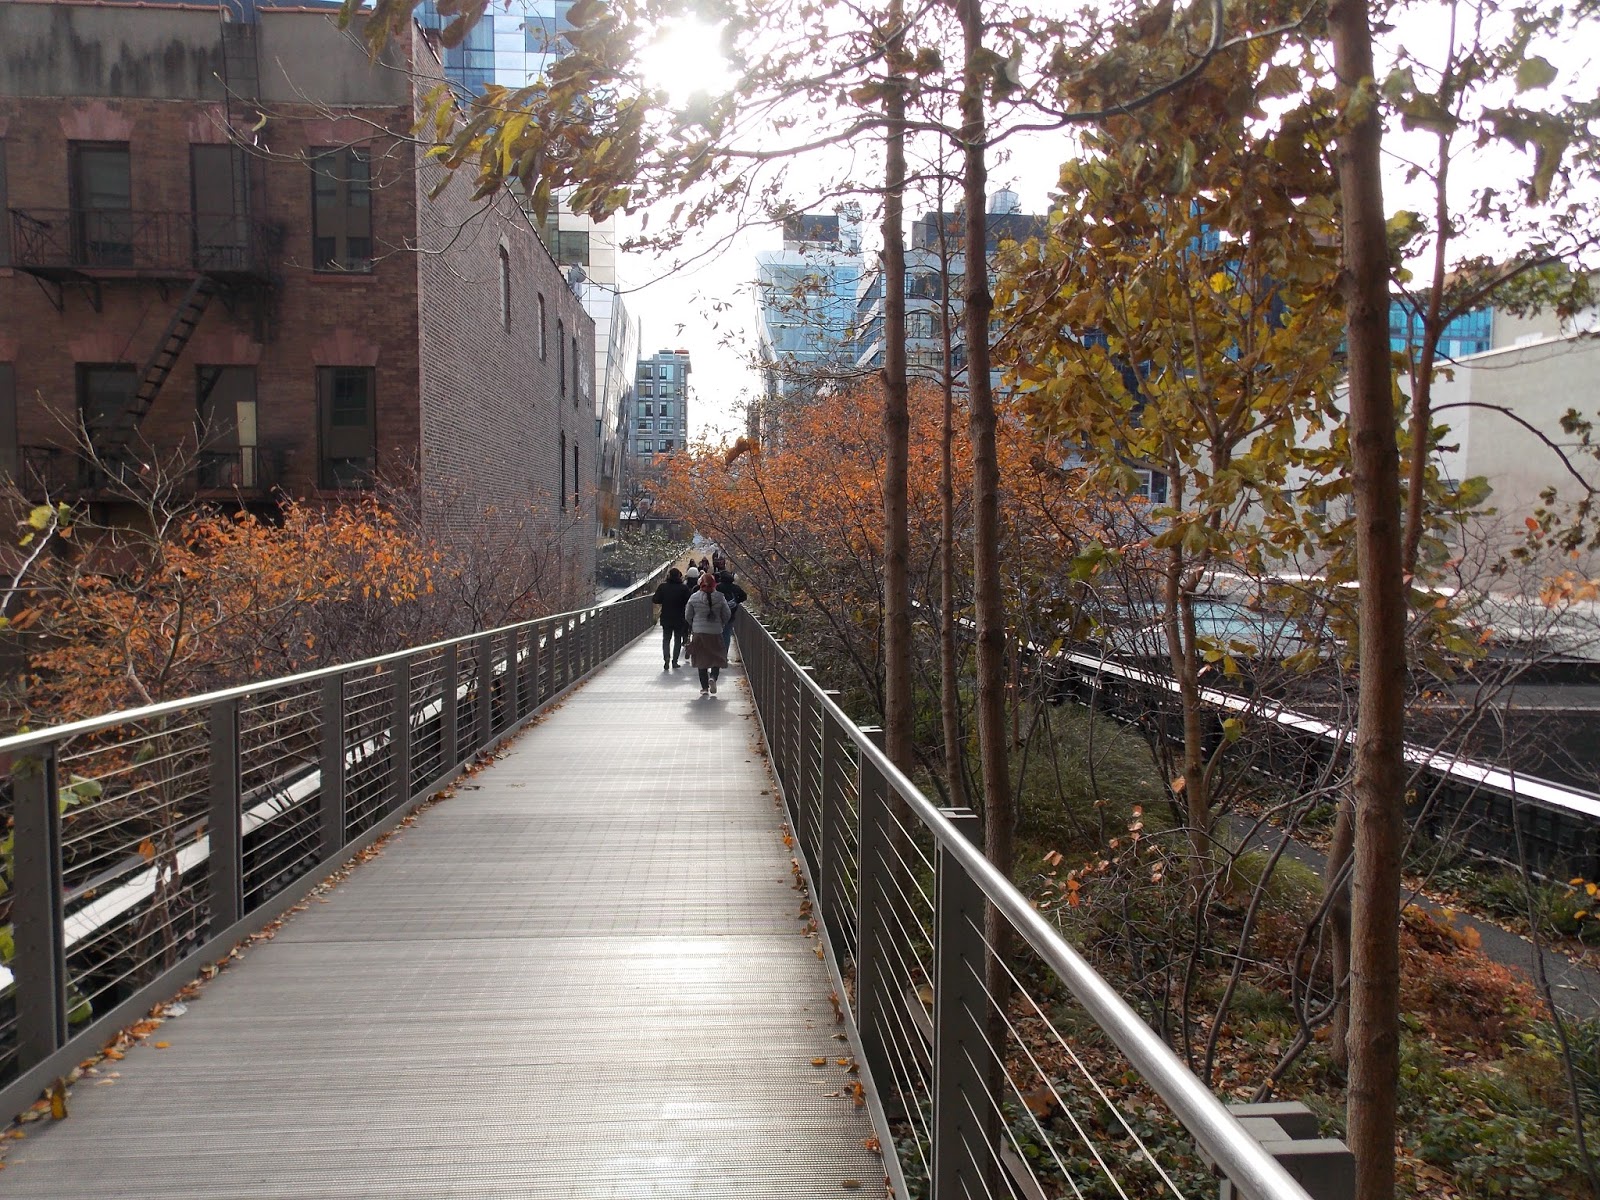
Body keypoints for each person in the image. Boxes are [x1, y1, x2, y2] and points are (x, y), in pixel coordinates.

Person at [685, 571, 731, 696]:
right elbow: (727, 614)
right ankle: (713, 677)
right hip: (716, 631)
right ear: (714, 584)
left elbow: (688, 615)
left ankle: (704, 688)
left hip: (699, 632)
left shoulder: (694, 597)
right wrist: (721, 624)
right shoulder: (720, 597)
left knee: (701, 659)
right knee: (717, 656)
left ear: (701, 584)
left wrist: (693, 624)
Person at [651, 567, 691, 670]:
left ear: (669, 576)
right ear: (679, 576)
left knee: (666, 639)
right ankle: (675, 661)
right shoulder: (683, 588)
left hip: (666, 617)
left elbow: (655, 599)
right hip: (679, 617)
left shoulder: (663, 587)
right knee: (677, 639)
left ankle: (666, 658)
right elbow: (689, 601)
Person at [715, 569, 746, 657]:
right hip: (731, 613)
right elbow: (744, 596)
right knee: (727, 634)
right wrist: (736, 601)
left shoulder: (718, 587)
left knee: (718, 634)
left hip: (719, 614)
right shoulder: (735, 588)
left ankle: (718, 652)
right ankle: (724, 654)